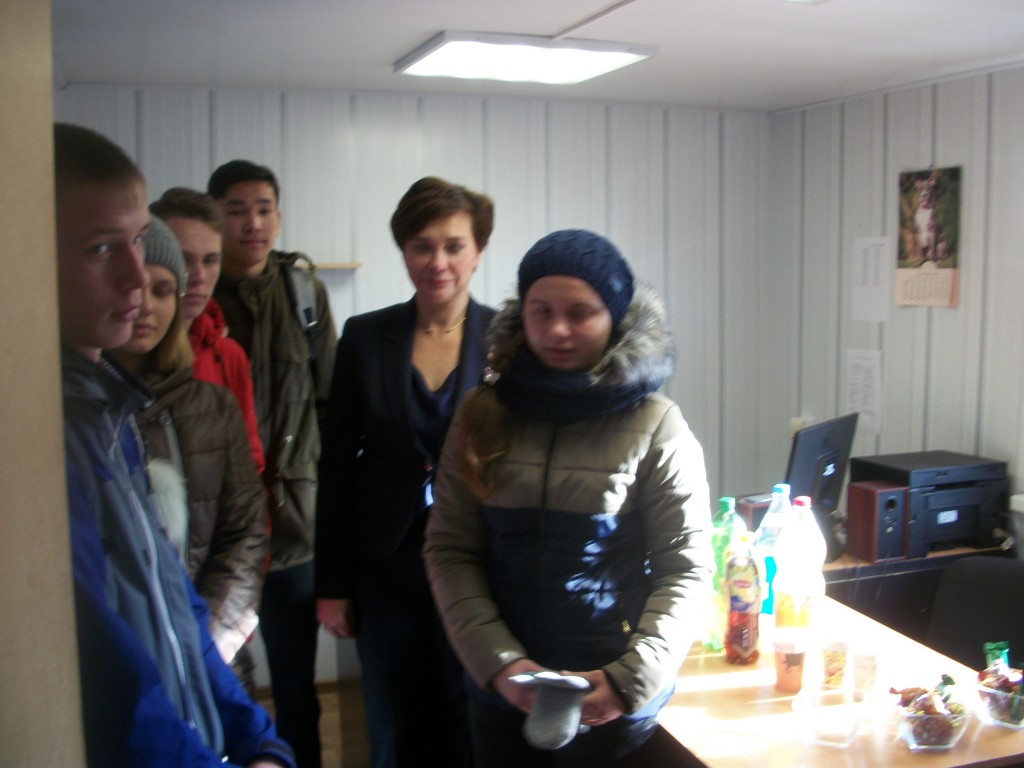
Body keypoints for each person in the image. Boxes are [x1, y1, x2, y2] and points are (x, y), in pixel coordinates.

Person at [422, 229, 715, 767]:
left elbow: (687, 569)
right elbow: (450, 549)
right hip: (503, 691)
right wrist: (498, 664)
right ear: (522, 314)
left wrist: (629, 681)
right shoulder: (480, 413)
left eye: (580, 313)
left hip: (611, 692)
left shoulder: (658, 425)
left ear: (614, 318)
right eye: (542, 312)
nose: (557, 330)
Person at [54, 121, 295, 767]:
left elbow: (176, 602)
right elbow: (107, 670)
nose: (138, 278)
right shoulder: (50, 437)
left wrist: (258, 740)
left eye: (138, 242)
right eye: (101, 248)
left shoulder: (112, 414)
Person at [315, 176, 496, 768]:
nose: (437, 262)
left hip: (478, 560)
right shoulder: (365, 336)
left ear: (478, 251)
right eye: (422, 246)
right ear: (403, 250)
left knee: (469, 714)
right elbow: (336, 464)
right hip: (385, 560)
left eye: (453, 246)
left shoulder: (508, 340)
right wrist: (332, 584)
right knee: (392, 720)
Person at [208, 160, 337, 768]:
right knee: (218, 679)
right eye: (236, 210)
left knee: (296, 686)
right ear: (216, 218)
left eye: (263, 210)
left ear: (278, 218)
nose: (252, 223)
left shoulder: (303, 294)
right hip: (217, 531)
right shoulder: (194, 296)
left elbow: (331, 406)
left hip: (294, 529)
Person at [110, 216, 268, 696]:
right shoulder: (77, 410)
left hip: (210, 657)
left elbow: (245, 534)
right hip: (117, 665)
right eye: (136, 287)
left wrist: (206, 644)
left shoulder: (213, 405)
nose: (146, 306)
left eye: (162, 291)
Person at [149, 186, 265, 475]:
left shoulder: (228, 356)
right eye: (183, 259)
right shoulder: (123, 353)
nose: (199, 276)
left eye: (210, 260)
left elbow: (249, 463)